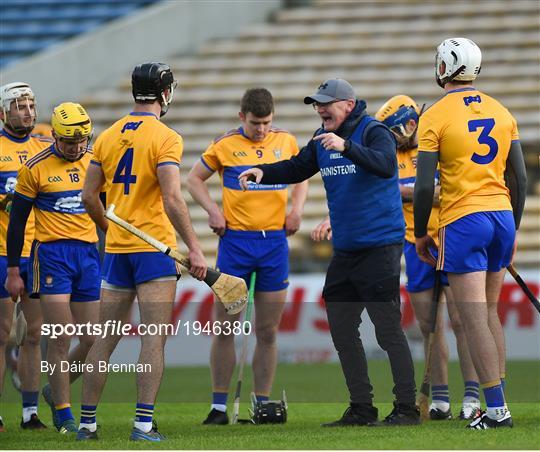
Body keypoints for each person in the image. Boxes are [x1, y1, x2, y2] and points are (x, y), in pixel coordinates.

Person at [239, 79, 419, 426]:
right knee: (339, 325)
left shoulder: (374, 131)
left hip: (380, 246)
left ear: (348, 105)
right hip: (347, 251)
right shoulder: (322, 141)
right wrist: (263, 172)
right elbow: (296, 167)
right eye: (316, 104)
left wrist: (346, 146)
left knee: (387, 330)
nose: (320, 109)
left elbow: (385, 164)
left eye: (326, 103)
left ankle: (407, 408)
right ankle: (362, 407)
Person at [78, 62, 207, 442]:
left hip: (117, 250)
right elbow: (171, 197)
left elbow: (88, 196)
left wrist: (109, 229)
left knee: (105, 338)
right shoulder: (166, 137)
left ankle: (87, 425)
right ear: (165, 93)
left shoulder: (107, 135)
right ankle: (143, 425)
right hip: (154, 250)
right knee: (154, 337)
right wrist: (195, 248)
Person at [414, 37, 527, 429]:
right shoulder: (502, 110)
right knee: (490, 312)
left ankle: (495, 410)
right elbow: (521, 179)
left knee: (473, 315)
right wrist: (513, 231)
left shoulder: (435, 115)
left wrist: (420, 233)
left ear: (444, 68)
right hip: (502, 216)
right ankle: (501, 400)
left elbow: (425, 185)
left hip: (464, 219)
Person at [187, 88, 308, 425]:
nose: (262, 130)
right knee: (226, 327)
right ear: (242, 117)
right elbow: (194, 179)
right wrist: (213, 210)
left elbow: (301, 177)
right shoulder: (225, 144)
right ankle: (218, 407)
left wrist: (296, 210)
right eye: (256, 123)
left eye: (267, 123)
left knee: (267, 331)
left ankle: (262, 404)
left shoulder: (286, 141)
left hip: (274, 244)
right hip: (235, 244)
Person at [374, 95, 481, 420]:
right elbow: (384, 192)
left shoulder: (441, 141)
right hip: (414, 243)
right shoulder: (388, 155)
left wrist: (422, 190)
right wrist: (421, 191)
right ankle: (441, 400)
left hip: (454, 238)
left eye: (396, 131)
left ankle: (473, 398)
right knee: (429, 325)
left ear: (411, 121)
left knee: (464, 322)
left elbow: (461, 186)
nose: (393, 139)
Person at [6, 102, 100, 434]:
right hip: (52, 258)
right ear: (56, 136)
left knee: (92, 340)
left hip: (88, 256)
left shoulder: (95, 161)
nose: (76, 148)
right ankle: (64, 414)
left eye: (81, 141)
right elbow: (17, 223)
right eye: (69, 142)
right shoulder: (35, 168)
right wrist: (14, 270)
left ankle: (52, 390)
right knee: (59, 338)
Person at [0, 82, 51, 431]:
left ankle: (30, 413)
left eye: (31, 105)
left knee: (34, 333)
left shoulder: (45, 145)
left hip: (37, 253)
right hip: (3, 252)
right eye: (19, 106)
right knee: (2, 333)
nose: (27, 112)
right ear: (4, 112)